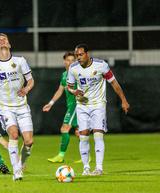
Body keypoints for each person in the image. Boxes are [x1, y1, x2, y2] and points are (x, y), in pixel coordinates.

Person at [67, 43, 130, 176]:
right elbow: (69, 87)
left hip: (98, 105)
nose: (78, 57)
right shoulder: (73, 68)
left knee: (98, 134)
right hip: (82, 105)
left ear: (87, 54)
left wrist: (123, 100)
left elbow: (113, 82)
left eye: (80, 54)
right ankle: (86, 168)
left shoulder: (101, 65)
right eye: (76, 55)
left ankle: (99, 168)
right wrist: (74, 91)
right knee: (83, 136)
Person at [0, 33, 34, 181]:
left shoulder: (20, 61)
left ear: (9, 44)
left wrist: (26, 89)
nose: (1, 40)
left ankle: (21, 162)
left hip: (22, 106)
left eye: (4, 39)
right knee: (13, 134)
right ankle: (17, 171)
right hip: (4, 106)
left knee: (29, 141)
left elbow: (31, 81)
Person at [42, 51, 80, 163]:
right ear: (64, 62)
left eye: (73, 60)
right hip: (72, 105)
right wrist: (51, 103)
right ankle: (86, 157)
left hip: (77, 105)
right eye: (68, 60)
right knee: (80, 132)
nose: (70, 62)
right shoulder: (64, 75)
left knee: (64, 128)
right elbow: (60, 90)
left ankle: (61, 156)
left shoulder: (78, 74)